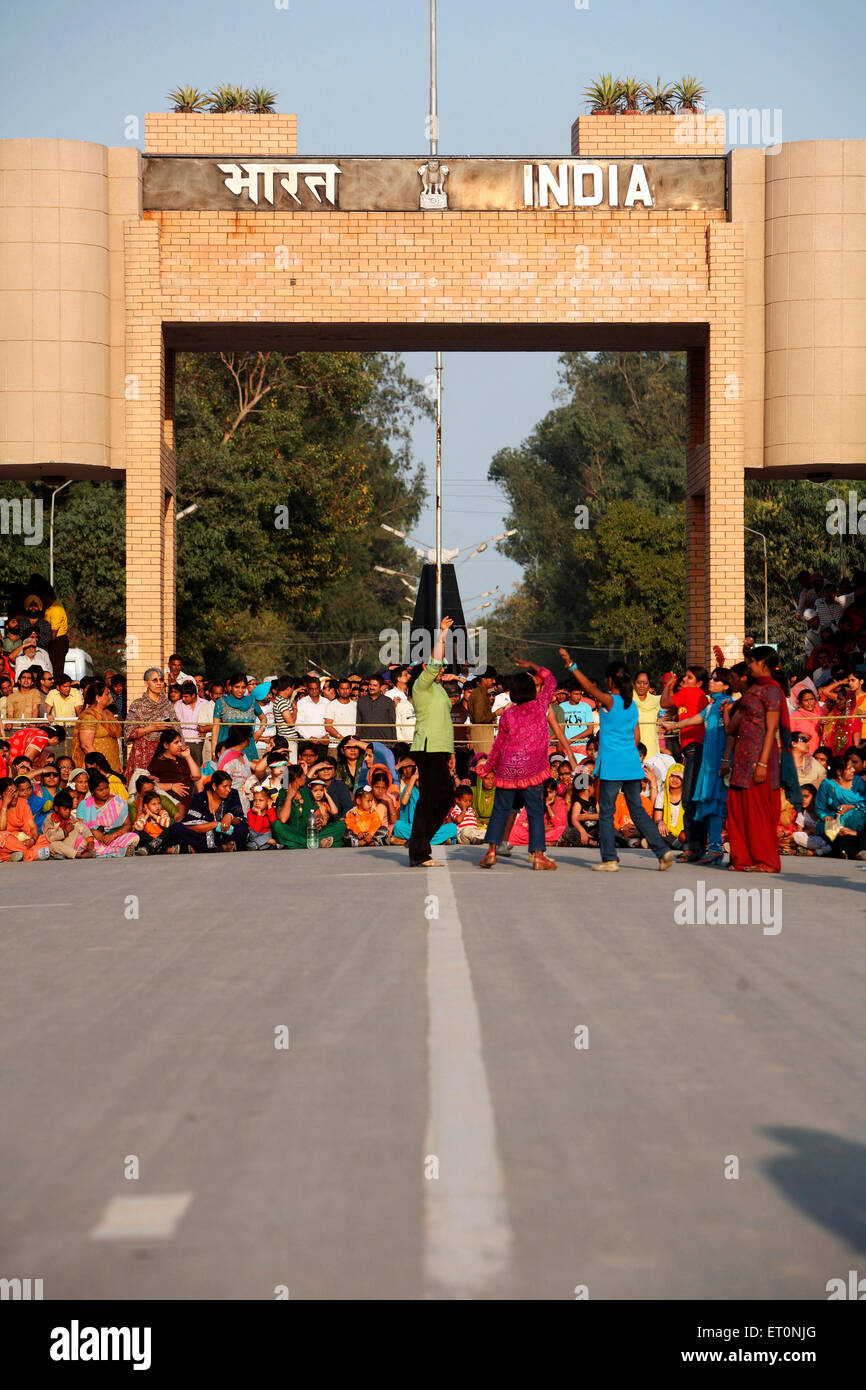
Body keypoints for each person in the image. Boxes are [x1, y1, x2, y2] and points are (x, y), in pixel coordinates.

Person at [561, 648, 676, 872]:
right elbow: (637, 738)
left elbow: (588, 687)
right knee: (638, 811)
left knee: (606, 811)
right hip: (631, 764)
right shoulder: (630, 705)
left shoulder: (611, 701)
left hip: (613, 765)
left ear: (611, 679)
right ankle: (662, 852)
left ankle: (610, 859)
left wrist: (572, 666)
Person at [477, 656, 557, 871]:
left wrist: (487, 768)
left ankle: (492, 851)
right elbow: (551, 682)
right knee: (534, 811)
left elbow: (498, 746)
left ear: (513, 693)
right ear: (532, 690)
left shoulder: (508, 715)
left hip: (508, 769)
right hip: (533, 769)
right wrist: (533, 666)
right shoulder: (541, 706)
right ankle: (538, 855)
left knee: (500, 810)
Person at [722, 645, 785, 873]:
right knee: (738, 809)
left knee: (757, 813)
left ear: (763, 664)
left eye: (752, 662)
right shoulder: (752, 692)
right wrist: (726, 713)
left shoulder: (772, 691)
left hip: (759, 760)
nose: (749, 666)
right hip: (741, 759)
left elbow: (771, 730)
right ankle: (743, 859)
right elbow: (732, 728)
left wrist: (763, 763)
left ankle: (766, 862)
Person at [662, 667, 733, 866]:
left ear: (726, 685)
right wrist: (674, 726)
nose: (711, 682)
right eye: (711, 678)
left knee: (714, 803)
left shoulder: (729, 704)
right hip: (708, 763)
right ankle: (710, 848)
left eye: (716, 680)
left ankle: (711, 848)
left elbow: (731, 733)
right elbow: (696, 719)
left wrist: (726, 760)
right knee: (705, 802)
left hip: (719, 761)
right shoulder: (710, 707)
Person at [407, 617, 457, 868]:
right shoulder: (421, 686)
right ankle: (419, 851)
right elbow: (435, 662)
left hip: (440, 748)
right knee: (429, 798)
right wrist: (442, 636)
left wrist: (450, 753)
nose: (442, 669)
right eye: (437, 667)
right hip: (427, 748)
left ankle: (420, 841)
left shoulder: (438, 688)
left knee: (447, 796)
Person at [660, 666, 710, 862]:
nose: (685, 680)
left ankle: (691, 846)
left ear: (698, 683)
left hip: (694, 749)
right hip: (694, 749)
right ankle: (697, 844)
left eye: (689, 677)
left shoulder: (690, 692)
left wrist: (669, 685)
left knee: (689, 799)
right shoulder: (698, 696)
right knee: (693, 799)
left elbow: (664, 702)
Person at [170, 770, 249, 853]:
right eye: (225, 786)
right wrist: (214, 824)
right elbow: (189, 824)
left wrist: (230, 816)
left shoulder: (233, 794)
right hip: (202, 834)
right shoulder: (200, 798)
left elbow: (240, 818)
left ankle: (197, 848)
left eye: (230, 786)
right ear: (214, 786)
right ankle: (219, 848)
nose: (229, 790)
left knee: (242, 829)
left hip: (222, 834)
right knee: (176, 828)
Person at [125, 668, 180, 780]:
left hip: (164, 753)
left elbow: (177, 727)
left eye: (161, 680)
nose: (159, 683)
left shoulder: (167, 704)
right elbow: (129, 731)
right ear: (146, 683)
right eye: (155, 680)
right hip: (143, 753)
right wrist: (153, 727)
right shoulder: (138, 705)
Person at [74, 771, 140, 857]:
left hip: (115, 838)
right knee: (80, 841)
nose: (105, 792)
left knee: (134, 837)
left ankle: (98, 853)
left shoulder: (118, 801)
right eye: (100, 790)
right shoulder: (84, 804)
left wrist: (113, 835)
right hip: (94, 839)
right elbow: (80, 827)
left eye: (106, 788)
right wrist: (94, 832)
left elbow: (127, 825)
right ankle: (120, 851)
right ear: (93, 791)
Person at [814, 752, 866, 859]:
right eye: (849, 768)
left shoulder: (858, 782)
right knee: (824, 827)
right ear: (839, 772)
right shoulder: (827, 785)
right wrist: (828, 818)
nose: (853, 771)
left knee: (857, 816)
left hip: (857, 822)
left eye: (853, 767)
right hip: (835, 822)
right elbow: (819, 809)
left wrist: (850, 807)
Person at [148, 729, 206, 818]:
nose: (180, 745)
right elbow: (150, 786)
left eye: (180, 742)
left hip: (188, 807)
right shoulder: (157, 762)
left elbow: (196, 776)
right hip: (171, 810)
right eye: (176, 742)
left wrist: (188, 756)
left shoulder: (183, 760)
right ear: (166, 745)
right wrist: (171, 786)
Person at [70, 679, 123, 774]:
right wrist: (101, 767)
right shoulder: (89, 717)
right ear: (97, 697)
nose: (110, 696)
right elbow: (86, 746)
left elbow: (113, 740)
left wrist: (117, 763)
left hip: (112, 765)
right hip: (98, 769)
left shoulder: (107, 713)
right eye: (107, 694)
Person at [211, 673, 266, 762]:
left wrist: (260, 731)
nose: (240, 690)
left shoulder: (251, 701)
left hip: (248, 747)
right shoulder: (221, 702)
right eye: (237, 687)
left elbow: (263, 718)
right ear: (230, 687)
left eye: (243, 687)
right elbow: (216, 727)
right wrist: (213, 752)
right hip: (227, 747)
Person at [0, 776, 50, 860]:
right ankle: (31, 855)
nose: (14, 796)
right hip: (8, 840)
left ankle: (13, 856)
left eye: (15, 791)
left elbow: (32, 826)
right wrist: (4, 805)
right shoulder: (1, 804)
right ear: (1, 795)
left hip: (22, 840)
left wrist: (32, 840)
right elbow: (2, 827)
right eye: (10, 793)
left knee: (44, 839)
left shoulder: (23, 803)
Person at [44, 788, 94, 858]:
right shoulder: (49, 819)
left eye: (69, 809)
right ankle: (78, 854)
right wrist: (65, 831)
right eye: (65, 809)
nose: (68, 811)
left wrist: (90, 840)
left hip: (68, 845)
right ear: (56, 808)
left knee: (76, 826)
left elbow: (82, 827)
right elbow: (51, 838)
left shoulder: (70, 817)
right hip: (55, 845)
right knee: (53, 845)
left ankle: (64, 854)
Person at [356, 674, 397, 746]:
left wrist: (393, 742)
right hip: (366, 742)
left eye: (375, 685)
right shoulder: (361, 701)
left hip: (385, 742)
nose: (371, 687)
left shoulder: (388, 701)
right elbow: (358, 722)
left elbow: (392, 723)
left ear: (380, 687)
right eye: (370, 685)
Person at [132, 790, 175, 855]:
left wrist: (153, 815)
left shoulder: (163, 813)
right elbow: (138, 827)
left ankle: (149, 848)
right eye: (154, 804)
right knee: (137, 831)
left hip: (163, 840)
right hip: (149, 840)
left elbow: (167, 824)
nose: (157, 806)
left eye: (159, 803)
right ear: (146, 806)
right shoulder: (143, 816)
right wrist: (147, 816)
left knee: (169, 826)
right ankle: (161, 849)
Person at [633, 670, 662, 759]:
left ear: (649, 684)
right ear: (634, 683)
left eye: (645, 683)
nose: (642, 686)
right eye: (639, 683)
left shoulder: (657, 700)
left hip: (652, 748)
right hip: (633, 748)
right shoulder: (627, 700)